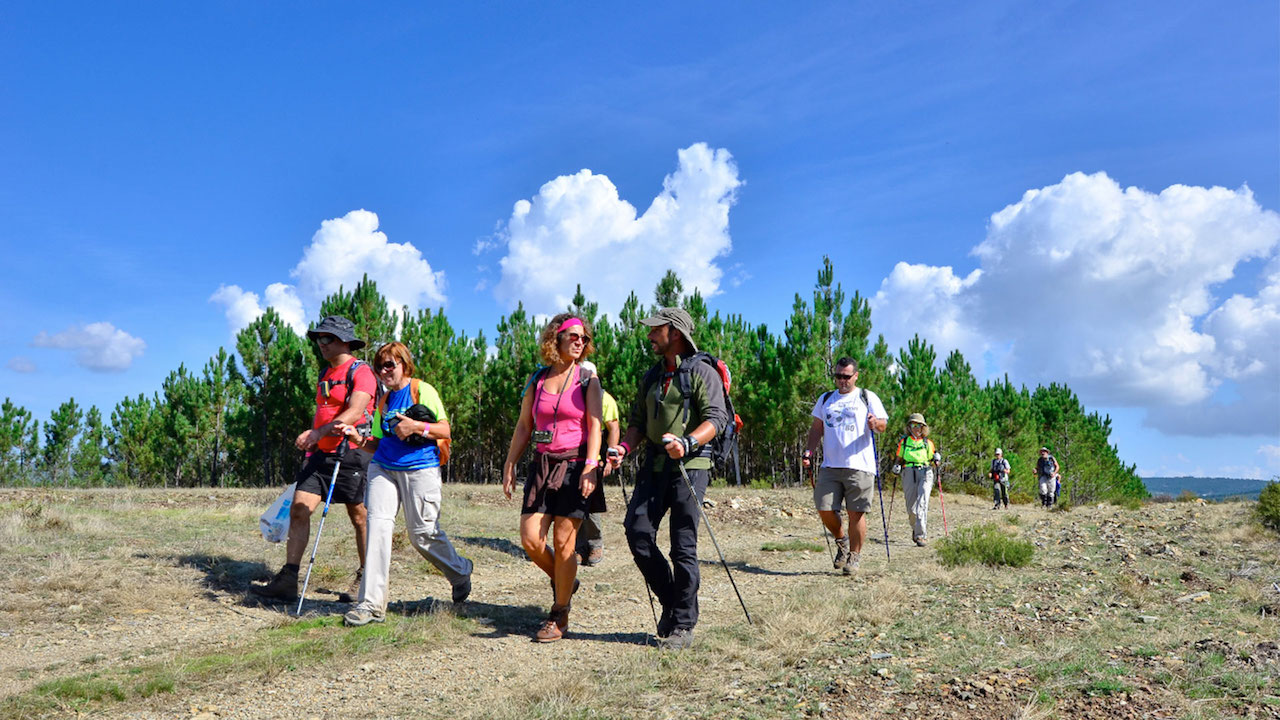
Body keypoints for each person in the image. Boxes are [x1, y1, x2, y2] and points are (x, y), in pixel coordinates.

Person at [608, 307, 729, 650]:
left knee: (682, 546)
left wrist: (687, 442)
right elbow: (636, 424)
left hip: (691, 466)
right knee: (637, 531)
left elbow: (716, 418)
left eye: (655, 330)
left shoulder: (702, 372)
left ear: (674, 332)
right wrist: (623, 449)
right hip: (654, 465)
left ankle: (683, 626)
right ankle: (673, 601)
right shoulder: (652, 376)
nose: (649, 336)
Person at [338, 342, 473, 626]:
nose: (384, 371)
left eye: (390, 364)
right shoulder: (384, 400)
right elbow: (376, 442)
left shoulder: (423, 390)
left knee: (421, 534)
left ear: (404, 364)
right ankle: (370, 605)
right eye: (379, 366)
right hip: (383, 468)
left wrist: (416, 427)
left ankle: (460, 572)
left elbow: (445, 430)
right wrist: (356, 439)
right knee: (377, 528)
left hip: (420, 468)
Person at [256, 316, 374, 603]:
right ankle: (288, 579)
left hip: (352, 453)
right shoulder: (325, 373)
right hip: (319, 456)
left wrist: (318, 432)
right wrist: (314, 442)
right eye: (318, 339)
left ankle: (367, 578)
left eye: (326, 338)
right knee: (299, 509)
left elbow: (356, 411)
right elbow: (323, 411)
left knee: (359, 516)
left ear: (344, 340)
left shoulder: (362, 371)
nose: (320, 344)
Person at [502, 314, 603, 642]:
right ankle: (566, 579)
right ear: (555, 339)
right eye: (573, 336)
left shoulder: (587, 379)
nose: (579, 341)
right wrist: (510, 463)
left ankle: (559, 613)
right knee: (531, 539)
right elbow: (523, 426)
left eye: (583, 338)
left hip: (575, 466)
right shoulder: (538, 379)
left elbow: (596, 425)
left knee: (564, 543)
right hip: (542, 464)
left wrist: (591, 465)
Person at [801, 357, 887, 576]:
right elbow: (816, 428)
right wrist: (809, 451)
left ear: (856, 376)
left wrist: (874, 424)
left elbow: (882, 425)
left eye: (846, 376)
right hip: (830, 465)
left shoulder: (867, 397)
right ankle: (842, 541)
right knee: (824, 508)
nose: (842, 381)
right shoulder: (826, 398)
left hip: (859, 465)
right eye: (838, 376)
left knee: (855, 513)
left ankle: (854, 557)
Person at [574, 360, 621, 568]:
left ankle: (595, 544)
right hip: (572, 459)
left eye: (587, 374)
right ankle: (577, 547)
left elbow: (613, 428)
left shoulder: (605, 398)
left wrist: (610, 457)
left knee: (590, 507)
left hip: (595, 462)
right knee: (572, 507)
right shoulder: (572, 395)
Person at [891, 413, 939, 547]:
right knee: (911, 508)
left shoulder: (927, 443)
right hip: (908, 472)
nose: (916, 428)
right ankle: (915, 528)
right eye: (913, 425)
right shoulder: (904, 442)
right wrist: (896, 466)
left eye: (919, 425)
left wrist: (937, 460)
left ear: (923, 427)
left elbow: (933, 459)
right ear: (909, 427)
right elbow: (899, 458)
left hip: (925, 472)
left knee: (922, 503)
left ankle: (921, 535)